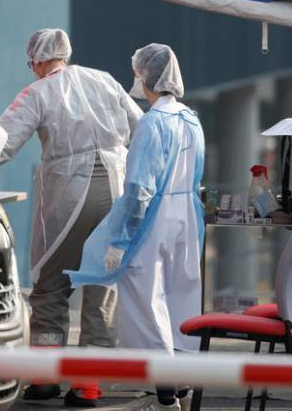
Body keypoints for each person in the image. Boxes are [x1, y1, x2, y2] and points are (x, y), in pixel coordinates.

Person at [0, 28, 142, 407]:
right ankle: (88, 385)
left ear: (37, 60)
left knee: (52, 288)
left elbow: (0, 144)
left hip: (68, 194)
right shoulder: (104, 80)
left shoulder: (36, 93)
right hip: (116, 189)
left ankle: (44, 378)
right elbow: (141, 127)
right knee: (102, 286)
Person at [66, 43, 205, 410]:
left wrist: (121, 238)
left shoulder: (152, 123)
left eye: (138, 73)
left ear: (147, 76)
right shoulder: (190, 118)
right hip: (185, 217)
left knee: (145, 302)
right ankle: (181, 384)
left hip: (154, 220)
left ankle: (165, 393)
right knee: (179, 298)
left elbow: (139, 188)